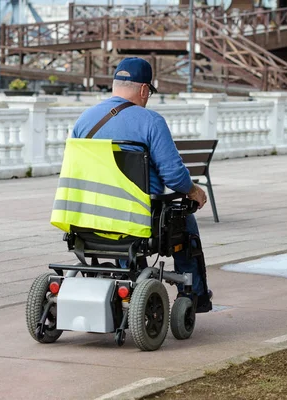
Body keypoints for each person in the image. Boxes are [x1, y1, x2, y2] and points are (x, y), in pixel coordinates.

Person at [71, 57, 213, 313]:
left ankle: (127, 277)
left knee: (119, 216)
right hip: (138, 219)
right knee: (185, 221)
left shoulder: (84, 121)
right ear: (144, 90)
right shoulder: (150, 121)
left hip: (90, 218)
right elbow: (174, 176)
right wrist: (195, 192)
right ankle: (195, 296)